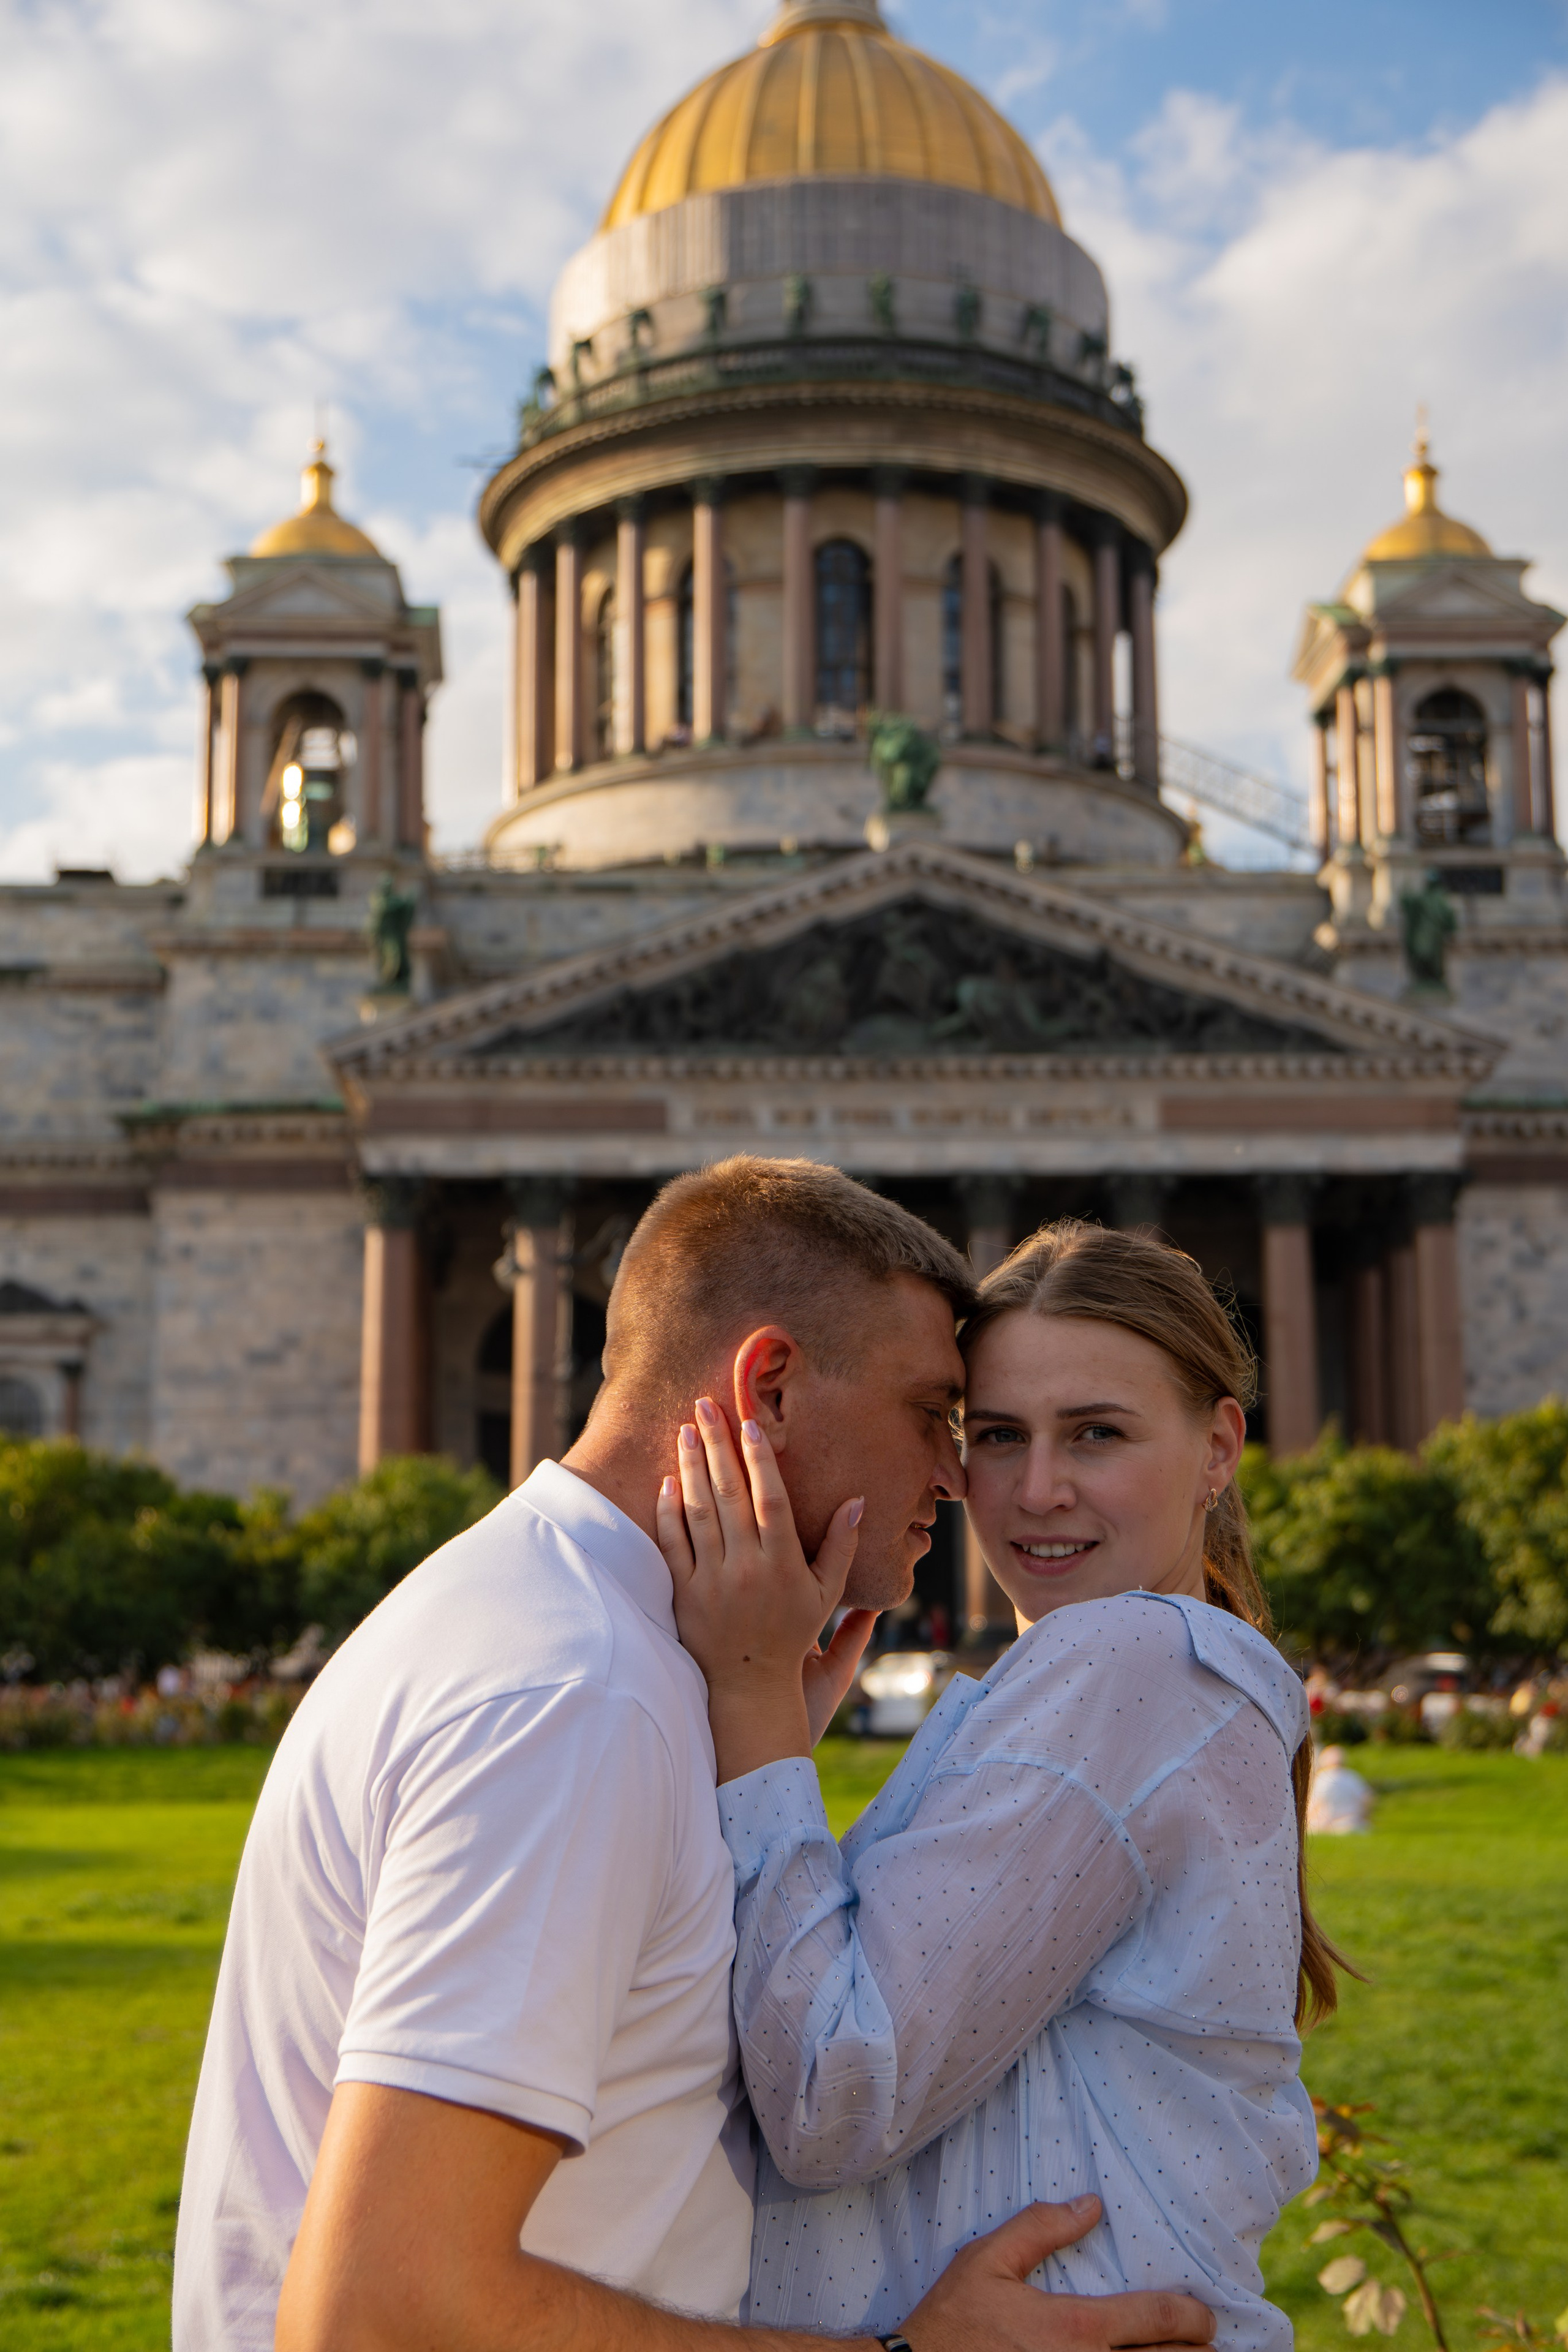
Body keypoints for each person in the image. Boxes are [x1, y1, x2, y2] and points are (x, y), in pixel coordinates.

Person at [173, 1159, 1216, 2352]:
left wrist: (750, 1760)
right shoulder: (577, 1705)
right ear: (766, 1387)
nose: (957, 1476)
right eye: (934, 1413)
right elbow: (384, 2310)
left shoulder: (552, 1630)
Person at [660, 1218, 1351, 2352]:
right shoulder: (1143, 1677)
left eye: (1097, 1434)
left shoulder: (1130, 1663)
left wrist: (754, 1714)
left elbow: (838, 2088)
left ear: (1219, 1447)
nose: (1036, 1490)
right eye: (994, 1435)